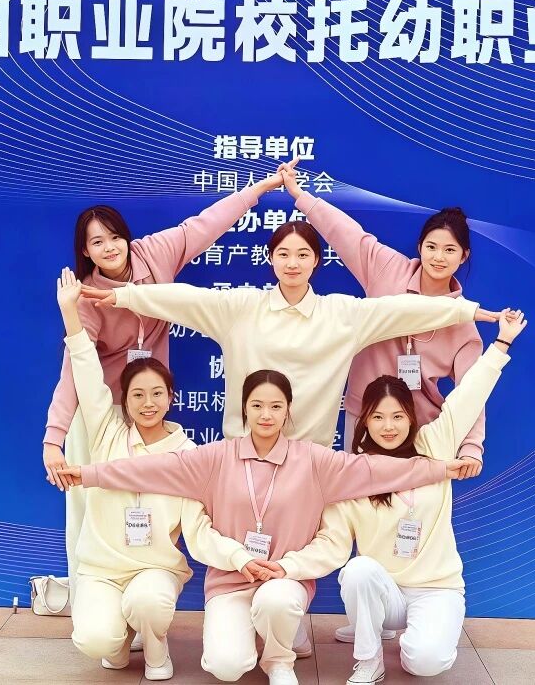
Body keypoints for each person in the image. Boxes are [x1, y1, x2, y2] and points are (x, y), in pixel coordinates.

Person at [56, 369, 472, 685]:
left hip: (283, 580)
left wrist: (440, 469)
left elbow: (376, 470)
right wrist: (88, 474)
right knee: (226, 666)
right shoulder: (215, 457)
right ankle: (254, 635)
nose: (266, 414)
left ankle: (279, 658)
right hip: (231, 581)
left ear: (288, 410)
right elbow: (149, 469)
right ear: (244, 410)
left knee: (276, 601)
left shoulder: (313, 460)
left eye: (275, 406)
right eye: (257, 406)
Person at [44, 169, 292, 594]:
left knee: (153, 502)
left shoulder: (155, 254)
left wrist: (260, 189)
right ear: (85, 251)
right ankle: (92, 600)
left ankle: (145, 591)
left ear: (127, 238)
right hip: (103, 413)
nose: (109, 248)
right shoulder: (86, 297)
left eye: (114, 237)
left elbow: (206, 224)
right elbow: (74, 370)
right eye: (97, 243)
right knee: (88, 506)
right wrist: (55, 438)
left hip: (147, 404)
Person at [79, 222, 502, 448]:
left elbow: (402, 309)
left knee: (291, 579)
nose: (293, 263)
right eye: (283, 254)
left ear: (317, 261)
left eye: (303, 254)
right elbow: (183, 299)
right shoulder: (241, 308)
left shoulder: (342, 314)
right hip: (242, 454)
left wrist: (467, 311)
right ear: (270, 260)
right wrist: (122, 296)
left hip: (309, 461)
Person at [295, 310, 526, 684]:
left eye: (397, 416)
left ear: (411, 418)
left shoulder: (434, 445)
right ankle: (369, 659)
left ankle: (419, 637)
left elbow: (469, 395)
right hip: (384, 592)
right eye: (378, 417)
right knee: (358, 570)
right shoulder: (354, 475)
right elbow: (331, 545)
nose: (388, 427)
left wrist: (502, 343)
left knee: (425, 663)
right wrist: (287, 568)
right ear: (364, 421)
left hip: (435, 588)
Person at [52, 268, 251, 680]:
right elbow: (85, 368)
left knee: (148, 603)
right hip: (102, 570)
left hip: (154, 570)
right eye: (138, 395)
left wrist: (239, 557)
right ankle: (118, 639)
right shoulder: (107, 431)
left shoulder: (188, 456)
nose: (148, 403)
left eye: (157, 394)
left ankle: (156, 645)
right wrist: (71, 313)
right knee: (95, 640)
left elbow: (199, 528)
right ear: (124, 400)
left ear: (171, 398)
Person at [281, 166, 490, 480]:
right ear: (419, 247)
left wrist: (472, 447)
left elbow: (472, 392)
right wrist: (301, 195)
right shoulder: (388, 269)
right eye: (431, 247)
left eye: (449, 250)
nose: (438, 257)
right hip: (366, 415)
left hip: (421, 428)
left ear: (463, 256)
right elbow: (346, 233)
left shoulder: (464, 325)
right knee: (358, 499)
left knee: (410, 509)